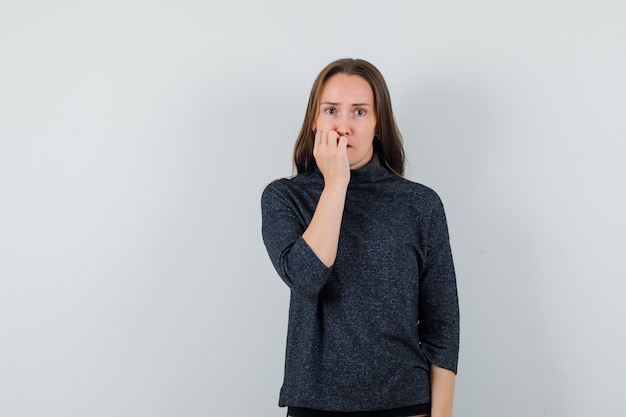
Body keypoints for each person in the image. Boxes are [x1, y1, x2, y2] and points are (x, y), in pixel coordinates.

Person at [261, 58, 460, 417]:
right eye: (332, 110)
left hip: (403, 402)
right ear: (314, 121)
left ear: (378, 124)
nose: (343, 126)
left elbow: (442, 325)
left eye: (359, 112)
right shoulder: (284, 198)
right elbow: (307, 277)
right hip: (314, 404)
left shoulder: (420, 205)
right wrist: (336, 183)